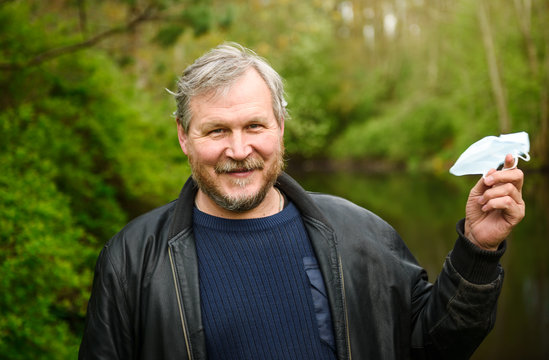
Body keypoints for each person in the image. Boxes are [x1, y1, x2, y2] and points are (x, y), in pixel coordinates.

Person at [79, 43, 525, 360]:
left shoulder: (362, 234)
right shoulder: (131, 261)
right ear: (183, 137)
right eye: (217, 131)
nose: (238, 149)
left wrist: (477, 250)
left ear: (281, 127)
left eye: (254, 126)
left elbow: (433, 346)